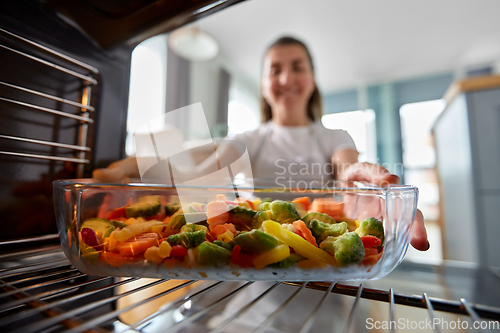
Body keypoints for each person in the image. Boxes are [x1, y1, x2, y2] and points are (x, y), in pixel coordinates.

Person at [93, 36, 429, 251]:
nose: (285, 79)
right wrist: (125, 169)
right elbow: (194, 160)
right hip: (254, 264)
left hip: (325, 272)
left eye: (296, 67)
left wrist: (359, 180)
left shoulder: (335, 137)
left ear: (311, 78)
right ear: (265, 85)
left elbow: (347, 169)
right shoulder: (249, 141)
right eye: (274, 71)